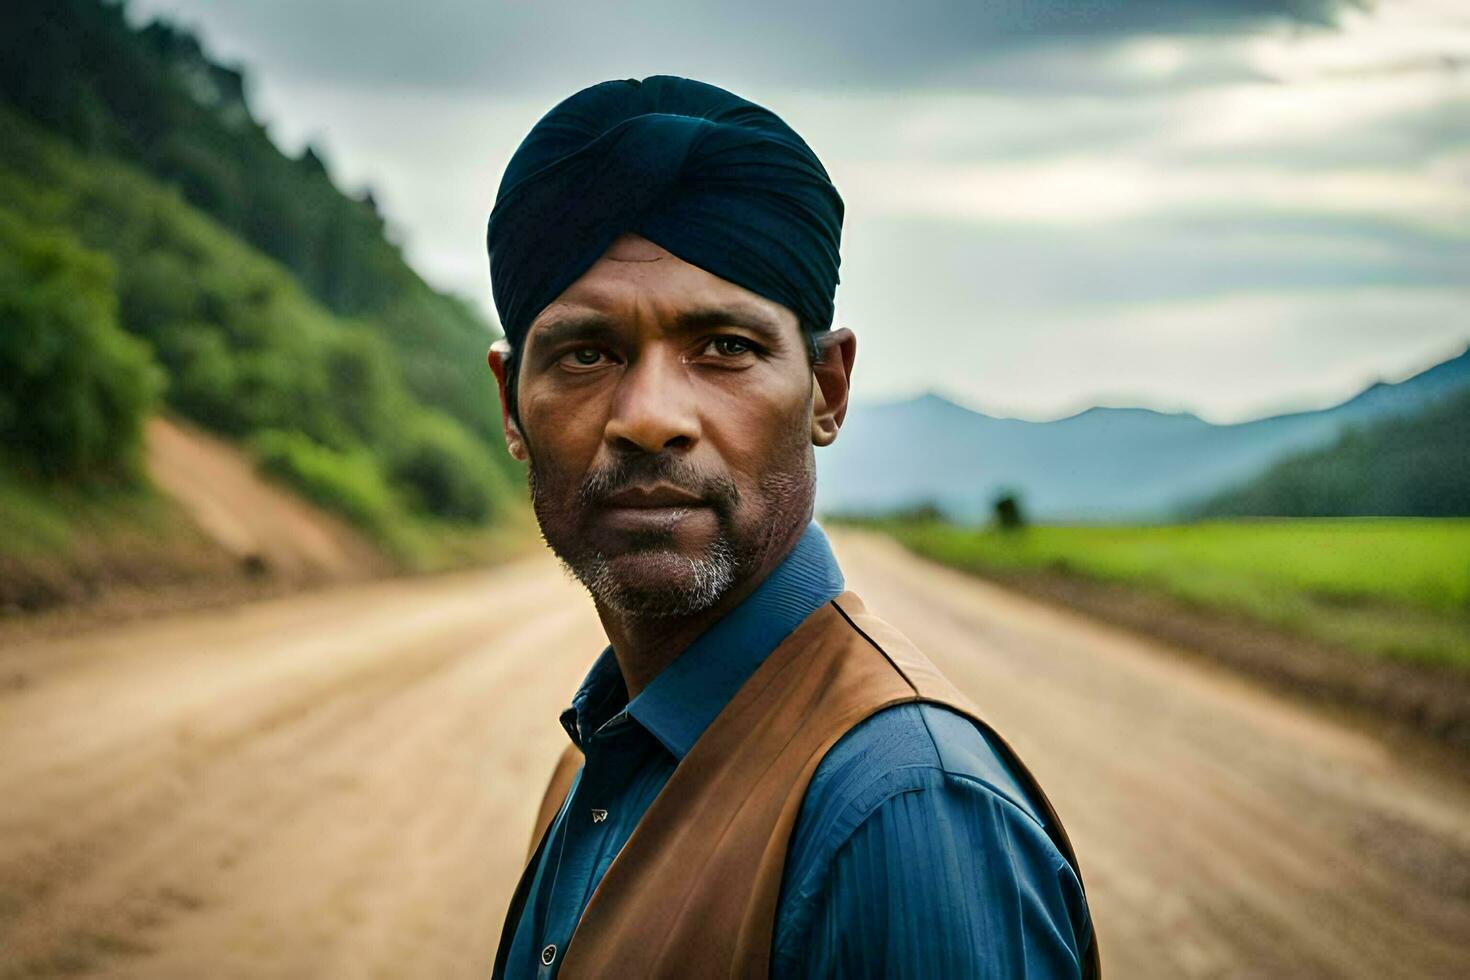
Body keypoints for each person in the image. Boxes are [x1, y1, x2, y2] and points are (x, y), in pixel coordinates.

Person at [483, 75, 1097, 979]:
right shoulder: (601, 760)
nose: (650, 417)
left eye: (725, 348)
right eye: (588, 353)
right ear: (511, 405)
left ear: (827, 390)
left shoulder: (899, 810)